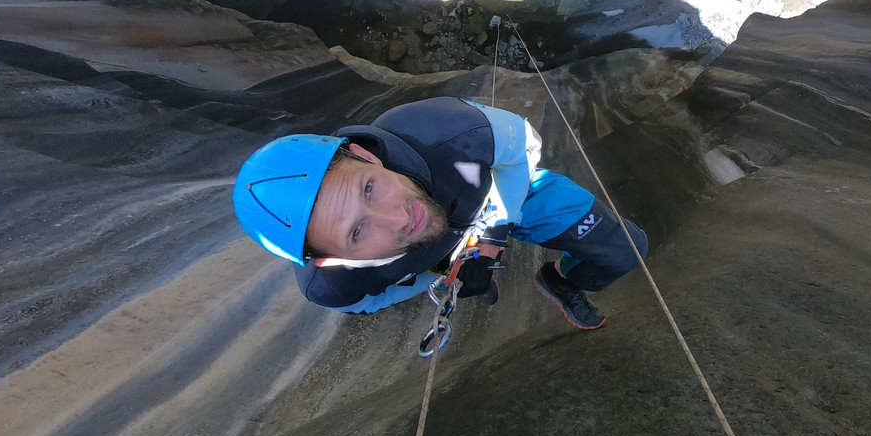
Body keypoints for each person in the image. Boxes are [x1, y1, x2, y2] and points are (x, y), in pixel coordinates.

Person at [233, 97, 647, 330]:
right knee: (464, 271)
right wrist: (443, 276)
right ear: (330, 259)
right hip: (447, 239)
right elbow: (370, 300)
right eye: (357, 232)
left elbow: (523, 149)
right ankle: (472, 275)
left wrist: (491, 239)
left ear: (363, 154)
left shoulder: (448, 130)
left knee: (627, 250)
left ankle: (559, 280)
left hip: (498, 190)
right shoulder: (332, 285)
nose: (399, 218)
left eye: (369, 188)